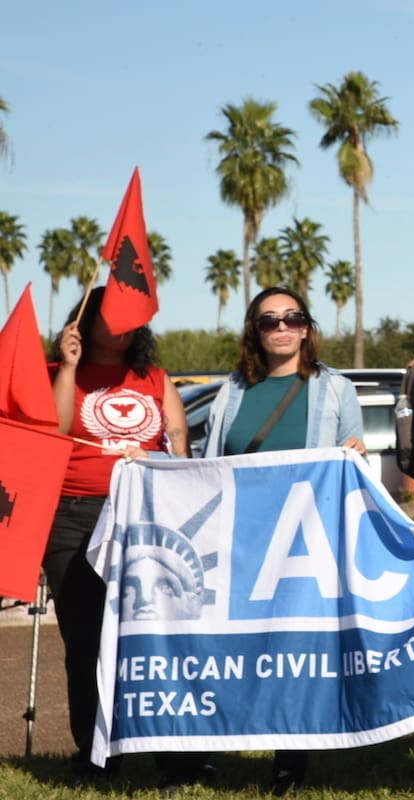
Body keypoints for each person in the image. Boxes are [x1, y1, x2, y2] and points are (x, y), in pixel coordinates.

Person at [200, 285, 365, 794]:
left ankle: (289, 764)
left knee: (294, 653)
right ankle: (205, 752)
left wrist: (354, 455)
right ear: (254, 330)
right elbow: (205, 470)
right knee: (224, 647)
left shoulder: (335, 389)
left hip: (301, 550)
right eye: (269, 320)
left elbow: (354, 476)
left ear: (307, 328)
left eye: (293, 318)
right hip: (237, 543)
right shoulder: (229, 392)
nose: (281, 327)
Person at [43, 286, 188, 784]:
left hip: (144, 517)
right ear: (85, 321)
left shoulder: (156, 378)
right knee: (85, 644)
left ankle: (172, 753)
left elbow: (181, 455)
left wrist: (158, 460)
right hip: (73, 516)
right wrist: (66, 366)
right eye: (109, 315)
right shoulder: (60, 374)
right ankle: (98, 756)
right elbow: (54, 431)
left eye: (131, 316)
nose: (122, 324)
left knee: (152, 638)